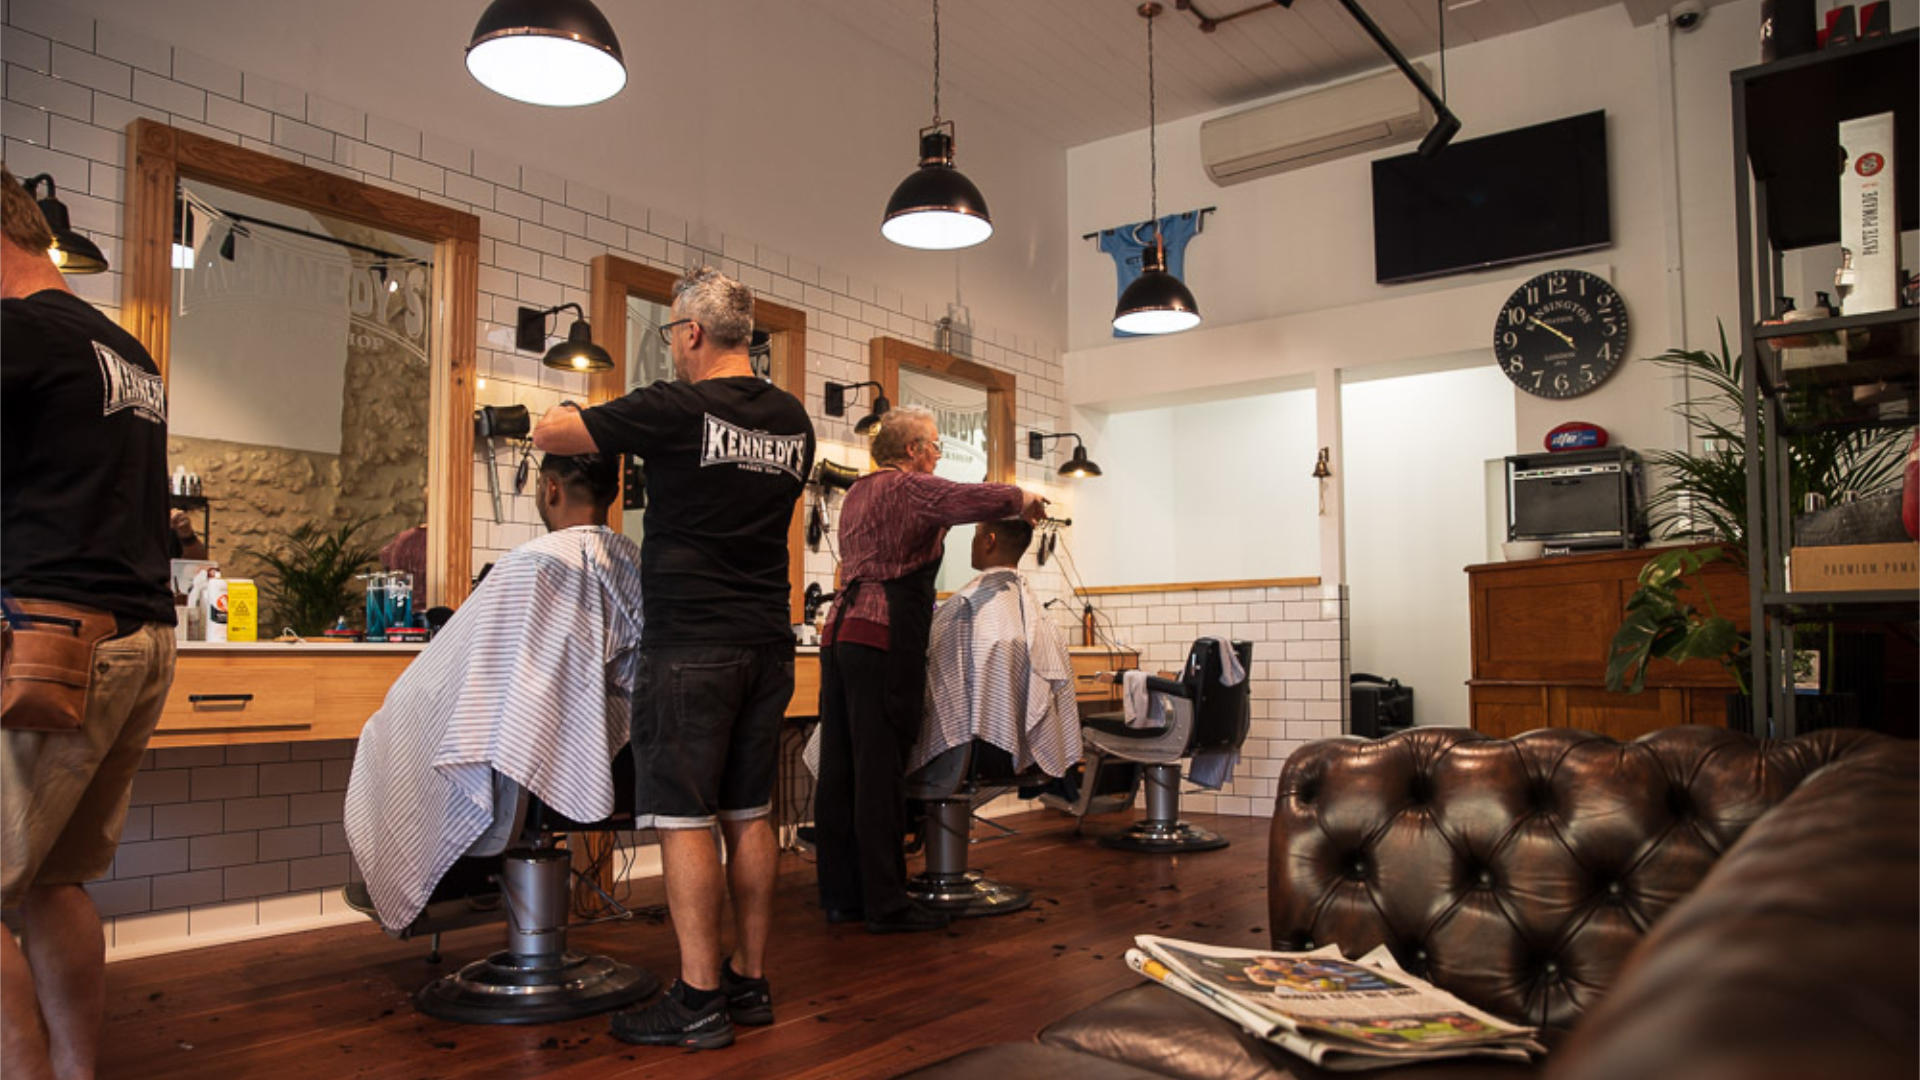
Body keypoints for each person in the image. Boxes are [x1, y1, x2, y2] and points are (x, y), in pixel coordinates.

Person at [531, 266, 812, 1051]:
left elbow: (557, 436)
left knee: (684, 818)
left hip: (691, 642)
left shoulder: (676, 405)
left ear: (690, 333)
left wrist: (562, 406)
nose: (675, 350)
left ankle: (697, 997)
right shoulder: (794, 420)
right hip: (767, 638)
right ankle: (749, 980)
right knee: (750, 812)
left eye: (672, 337)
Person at [1, 164, 178, 1080]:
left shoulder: (17, 334)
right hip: (139, 640)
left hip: (53, 645)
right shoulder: (126, 348)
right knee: (54, 880)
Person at [343, 454, 640, 931]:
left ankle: (432, 881)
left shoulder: (530, 565)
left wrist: (405, 706)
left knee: (389, 729)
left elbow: (463, 684)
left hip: (526, 770)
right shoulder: (631, 563)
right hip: (614, 763)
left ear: (550, 489)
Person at [815, 406, 1045, 934]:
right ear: (914, 451)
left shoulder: (858, 492)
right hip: (882, 634)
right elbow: (965, 498)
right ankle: (887, 904)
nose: (939, 456)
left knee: (841, 768)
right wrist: (1022, 498)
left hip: (842, 632)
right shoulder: (908, 487)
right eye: (936, 447)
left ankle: (842, 895)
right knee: (879, 771)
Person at [913, 518, 1082, 780]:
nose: (972, 542)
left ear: (988, 540)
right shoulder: (1039, 616)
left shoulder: (964, 606)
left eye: (975, 534)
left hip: (969, 753)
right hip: (1018, 754)